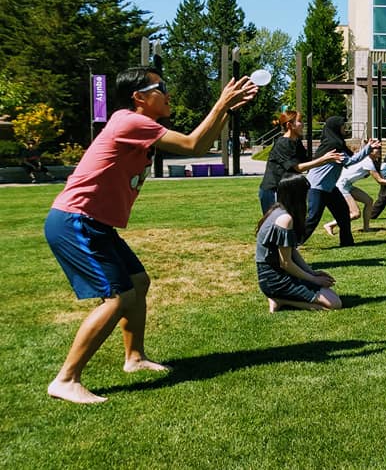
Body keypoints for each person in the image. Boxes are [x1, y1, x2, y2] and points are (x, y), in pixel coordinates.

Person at [43, 66, 258, 404]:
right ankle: (66, 379)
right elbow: (191, 144)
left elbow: (200, 145)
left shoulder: (139, 124)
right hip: (76, 221)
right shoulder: (130, 121)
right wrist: (221, 103)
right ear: (139, 97)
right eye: (162, 87)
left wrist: (227, 108)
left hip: (95, 223)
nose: (169, 94)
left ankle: (135, 357)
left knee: (138, 283)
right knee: (116, 298)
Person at [256, 174, 341, 313]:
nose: (308, 194)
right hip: (274, 279)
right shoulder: (285, 219)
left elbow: (292, 251)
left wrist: (311, 272)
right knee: (334, 303)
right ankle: (280, 299)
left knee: (332, 298)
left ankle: (280, 298)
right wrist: (314, 280)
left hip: (274, 275)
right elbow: (286, 263)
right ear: (297, 194)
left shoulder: (278, 210)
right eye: (306, 191)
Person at [302, 116, 377, 246]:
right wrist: (368, 149)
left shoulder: (335, 143)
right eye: (342, 126)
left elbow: (350, 158)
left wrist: (367, 148)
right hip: (317, 187)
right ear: (336, 128)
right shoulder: (333, 145)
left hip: (330, 188)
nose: (345, 128)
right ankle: (294, 243)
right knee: (313, 218)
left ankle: (347, 242)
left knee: (343, 215)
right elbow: (350, 162)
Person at [258, 110, 343, 214]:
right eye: (299, 121)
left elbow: (308, 162)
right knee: (277, 225)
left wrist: (326, 157)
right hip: (273, 191)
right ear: (289, 125)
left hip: (289, 189)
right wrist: (323, 159)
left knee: (294, 225)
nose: (302, 124)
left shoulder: (296, 142)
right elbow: (298, 167)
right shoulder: (283, 143)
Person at [324, 145, 386, 235]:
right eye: (376, 149)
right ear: (370, 151)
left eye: (379, 148)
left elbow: (381, 176)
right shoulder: (367, 162)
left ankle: (366, 228)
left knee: (368, 201)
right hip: (341, 186)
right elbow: (380, 181)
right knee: (355, 214)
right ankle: (330, 225)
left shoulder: (371, 161)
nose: (379, 150)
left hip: (347, 185)